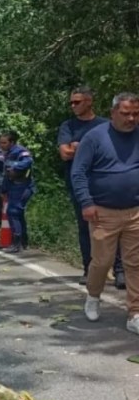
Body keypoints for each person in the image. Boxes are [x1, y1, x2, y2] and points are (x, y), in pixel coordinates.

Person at [71, 92, 139, 333]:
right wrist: (86, 202)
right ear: (113, 113)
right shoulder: (95, 137)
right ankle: (93, 295)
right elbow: (78, 172)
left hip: (134, 211)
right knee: (102, 262)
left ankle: (135, 312)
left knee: (135, 263)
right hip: (102, 212)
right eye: (125, 113)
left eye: (135, 113)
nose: (131, 118)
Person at [58, 86, 124, 287]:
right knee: (85, 227)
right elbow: (65, 153)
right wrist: (77, 148)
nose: (73, 105)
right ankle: (89, 268)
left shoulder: (105, 125)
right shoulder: (68, 126)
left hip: (106, 185)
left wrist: (79, 146)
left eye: (77, 102)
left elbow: (115, 152)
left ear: (89, 102)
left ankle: (120, 270)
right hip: (80, 184)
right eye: (71, 102)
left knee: (118, 226)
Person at [0, 130, 34, 254]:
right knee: (18, 214)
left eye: (4, 142)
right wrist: (3, 189)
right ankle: (23, 241)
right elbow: (6, 174)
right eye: (0, 142)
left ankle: (17, 243)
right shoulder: (7, 153)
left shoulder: (20, 151)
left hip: (23, 187)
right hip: (13, 186)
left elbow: (28, 161)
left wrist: (14, 166)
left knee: (13, 212)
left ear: (12, 142)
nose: (1, 145)